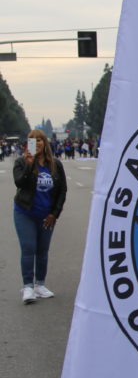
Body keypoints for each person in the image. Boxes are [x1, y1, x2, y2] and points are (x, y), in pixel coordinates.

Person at [13, 129, 67, 303]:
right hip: (25, 213)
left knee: (42, 250)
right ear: (27, 144)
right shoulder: (21, 162)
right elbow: (19, 183)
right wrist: (29, 165)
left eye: (39, 140)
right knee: (29, 248)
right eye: (32, 140)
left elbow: (62, 190)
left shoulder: (55, 164)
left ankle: (40, 285)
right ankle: (28, 287)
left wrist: (54, 214)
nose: (36, 143)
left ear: (45, 143)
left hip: (46, 215)